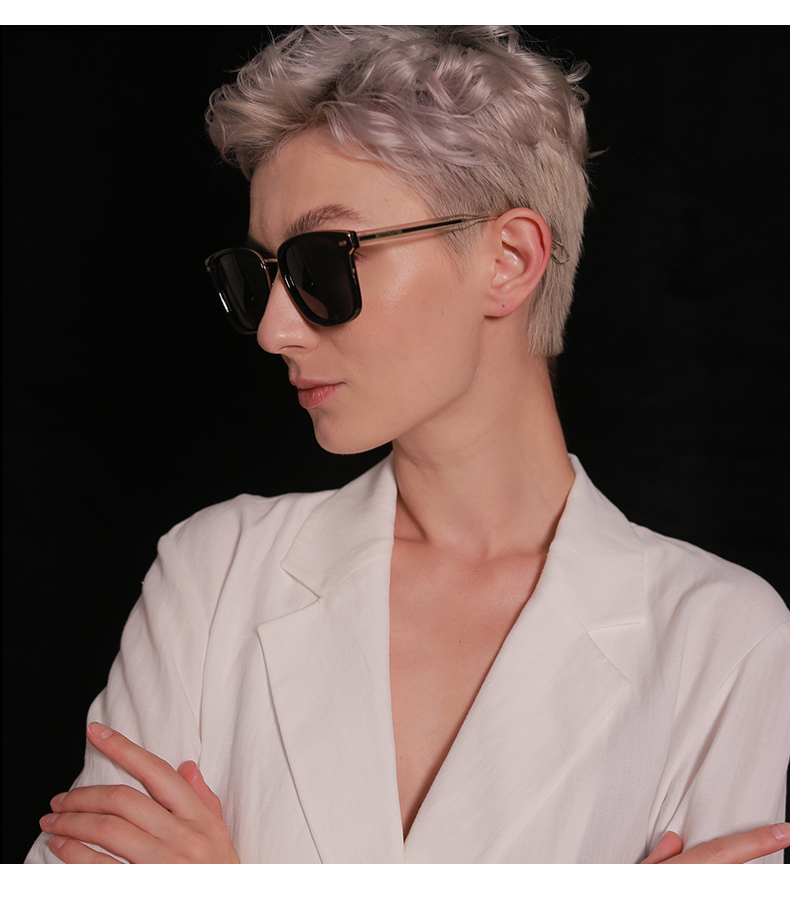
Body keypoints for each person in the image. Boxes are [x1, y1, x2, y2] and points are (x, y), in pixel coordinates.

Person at [26, 25, 790, 864]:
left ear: (509, 259)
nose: (274, 330)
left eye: (322, 263)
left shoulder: (721, 637)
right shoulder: (216, 573)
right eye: (258, 276)